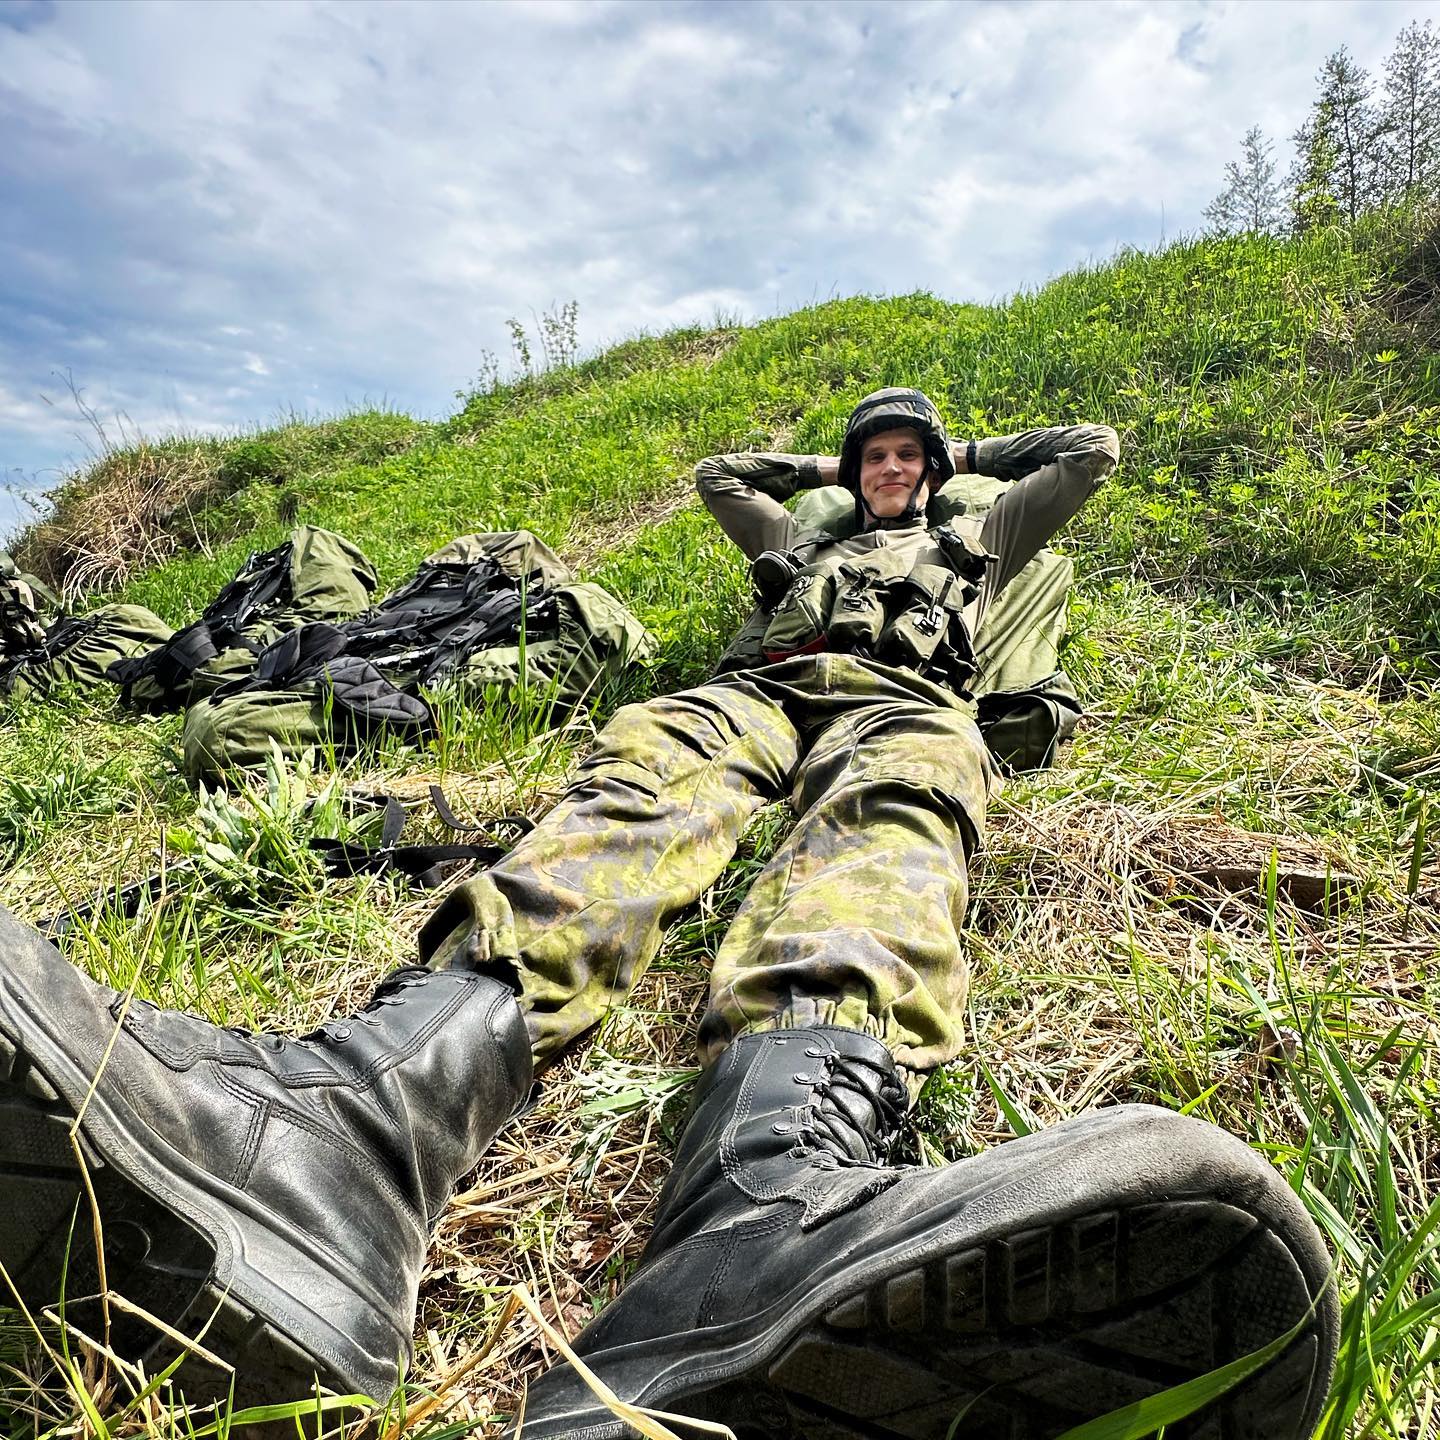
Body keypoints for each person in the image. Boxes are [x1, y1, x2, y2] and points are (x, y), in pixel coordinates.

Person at [0, 390, 1337, 1439]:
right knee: (637, 786)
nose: (882, 468)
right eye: (871, 451)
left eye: (900, 455)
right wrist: (824, 475)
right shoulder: (798, 536)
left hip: (903, 705)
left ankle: (767, 1204)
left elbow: (1091, 451)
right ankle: (356, 1129)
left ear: (930, 470)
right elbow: (719, 481)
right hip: (758, 690)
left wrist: (953, 452)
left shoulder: (976, 532)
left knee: (890, 825)